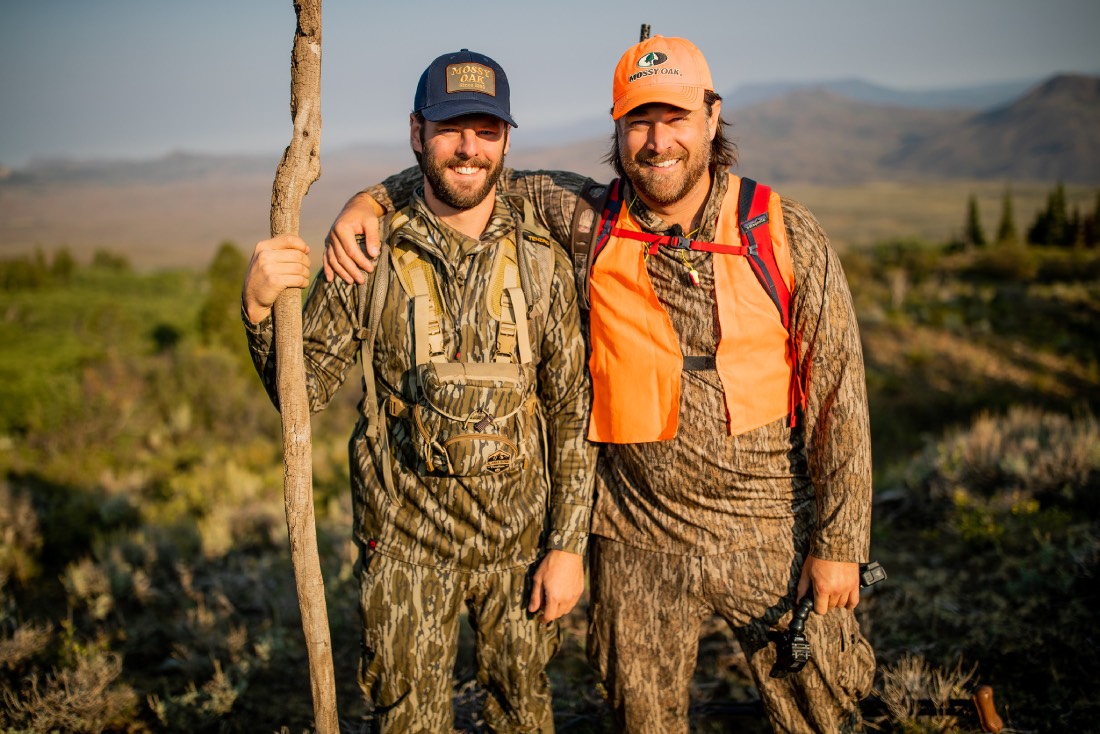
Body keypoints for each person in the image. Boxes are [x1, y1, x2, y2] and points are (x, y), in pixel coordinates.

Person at [323, 35, 875, 734]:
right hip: (636, 539)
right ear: (616, 131)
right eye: (638, 122)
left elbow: (840, 400)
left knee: (820, 711)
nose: (657, 141)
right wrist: (369, 200)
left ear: (712, 117)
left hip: (771, 530)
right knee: (641, 719)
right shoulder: (585, 220)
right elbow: (467, 172)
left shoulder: (784, 231)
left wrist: (839, 545)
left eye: (675, 118)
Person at [241, 49, 596, 733]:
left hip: (518, 552)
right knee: (407, 721)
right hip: (404, 551)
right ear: (416, 133)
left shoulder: (541, 255)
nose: (468, 148)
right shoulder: (366, 253)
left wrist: (568, 546)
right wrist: (259, 314)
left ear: (506, 140)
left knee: (524, 714)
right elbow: (301, 394)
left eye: (486, 130)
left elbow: (570, 409)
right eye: (449, 128)